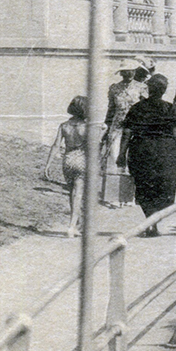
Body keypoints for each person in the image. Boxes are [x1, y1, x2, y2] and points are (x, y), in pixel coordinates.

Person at [118, 74, 176, 236]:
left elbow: (127, 133)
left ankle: (150, 220)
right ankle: (154, 222)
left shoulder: (137, 108)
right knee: (165, 188)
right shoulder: (171, 109)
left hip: (140, 151)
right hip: (165, 152)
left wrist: (121, 153)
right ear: (164, 90)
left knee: (143, 186)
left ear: (149, 88)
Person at [100, 58, 149, 204]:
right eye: (125, 72)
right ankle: (114, 196)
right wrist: (106, 126)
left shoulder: (141, 88)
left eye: (131, 71)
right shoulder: (114, 88)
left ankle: (128, 196)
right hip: (117, 127)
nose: (128, 74)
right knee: (115, 158)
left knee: (132, 160)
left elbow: (146, 109)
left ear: (135, 71)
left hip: (135, 127)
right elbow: (111, 109)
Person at [43, 96, 90, 238]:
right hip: (81, 160)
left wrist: (48, 164)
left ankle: (75, 224)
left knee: (72, 193)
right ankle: (72, 226)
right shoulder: (87, 127)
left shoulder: (64, 125)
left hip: (68, 160)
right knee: (79, 194)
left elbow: (56, 145)